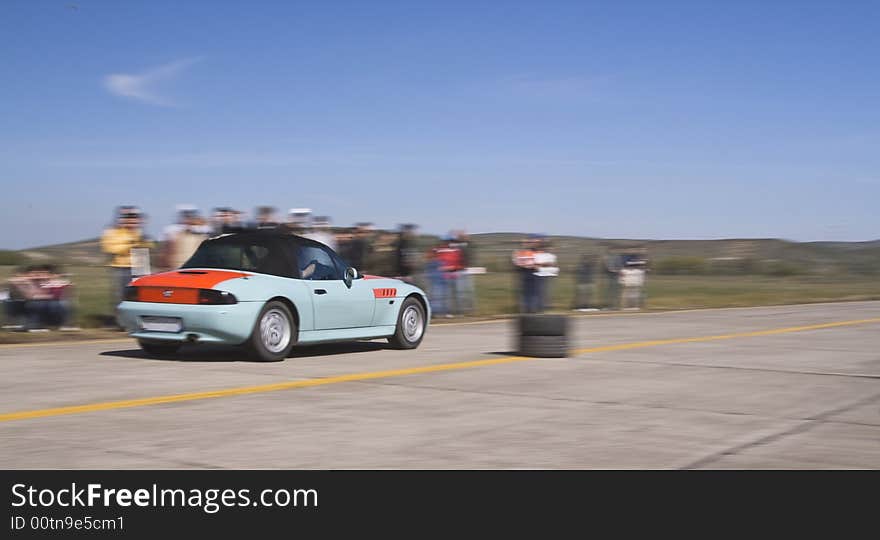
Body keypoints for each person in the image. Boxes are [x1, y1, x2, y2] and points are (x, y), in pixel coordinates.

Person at [101, 206, 153, 315]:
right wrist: (131, 244)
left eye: (134, 218)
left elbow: (150, 245)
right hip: (121, 267)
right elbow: (110, 248)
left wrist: (145, 242)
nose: (131, 220)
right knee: (120, 295)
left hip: (141, 267)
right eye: (127, 217)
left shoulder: (141, 233)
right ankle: (121, 321)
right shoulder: (112, 232)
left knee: (140, 295)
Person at [161, 205, 211, 270]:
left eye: (190, 215)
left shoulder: (202, 230)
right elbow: (167, 250)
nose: (188, 217)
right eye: (186, 215)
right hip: (178, 267)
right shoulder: (172, 230)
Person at [512, 235, 539, 313]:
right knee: (525, 292)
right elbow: (515, 262)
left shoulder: (533, 252)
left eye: (527, 242)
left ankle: (532, 309)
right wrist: (523, 265)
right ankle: (525, 309)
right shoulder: (518, 252)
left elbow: (538, 262)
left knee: (533, 292)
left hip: (533, 272)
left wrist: (534, 265)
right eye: (524, 243)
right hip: (523, 272)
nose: (525, 244)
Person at [531, 237, 559, 312]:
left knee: (546, 290)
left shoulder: (550, 254)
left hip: (548, 273)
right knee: (540, 290)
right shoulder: (541, 253)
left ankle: (545, 305)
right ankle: (539, 305)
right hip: (541, 273)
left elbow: (553, 263)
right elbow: (539, 263)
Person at [450, 230, 475, 315]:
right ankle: (460, 311)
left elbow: (471, 250)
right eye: (461, 235)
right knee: (459, 292)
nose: (464, 236)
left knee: (469, 291)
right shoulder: (455, 244)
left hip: (466, 270)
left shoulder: (468, 244)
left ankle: (470, 310)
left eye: (464, 235)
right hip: (458, 271)